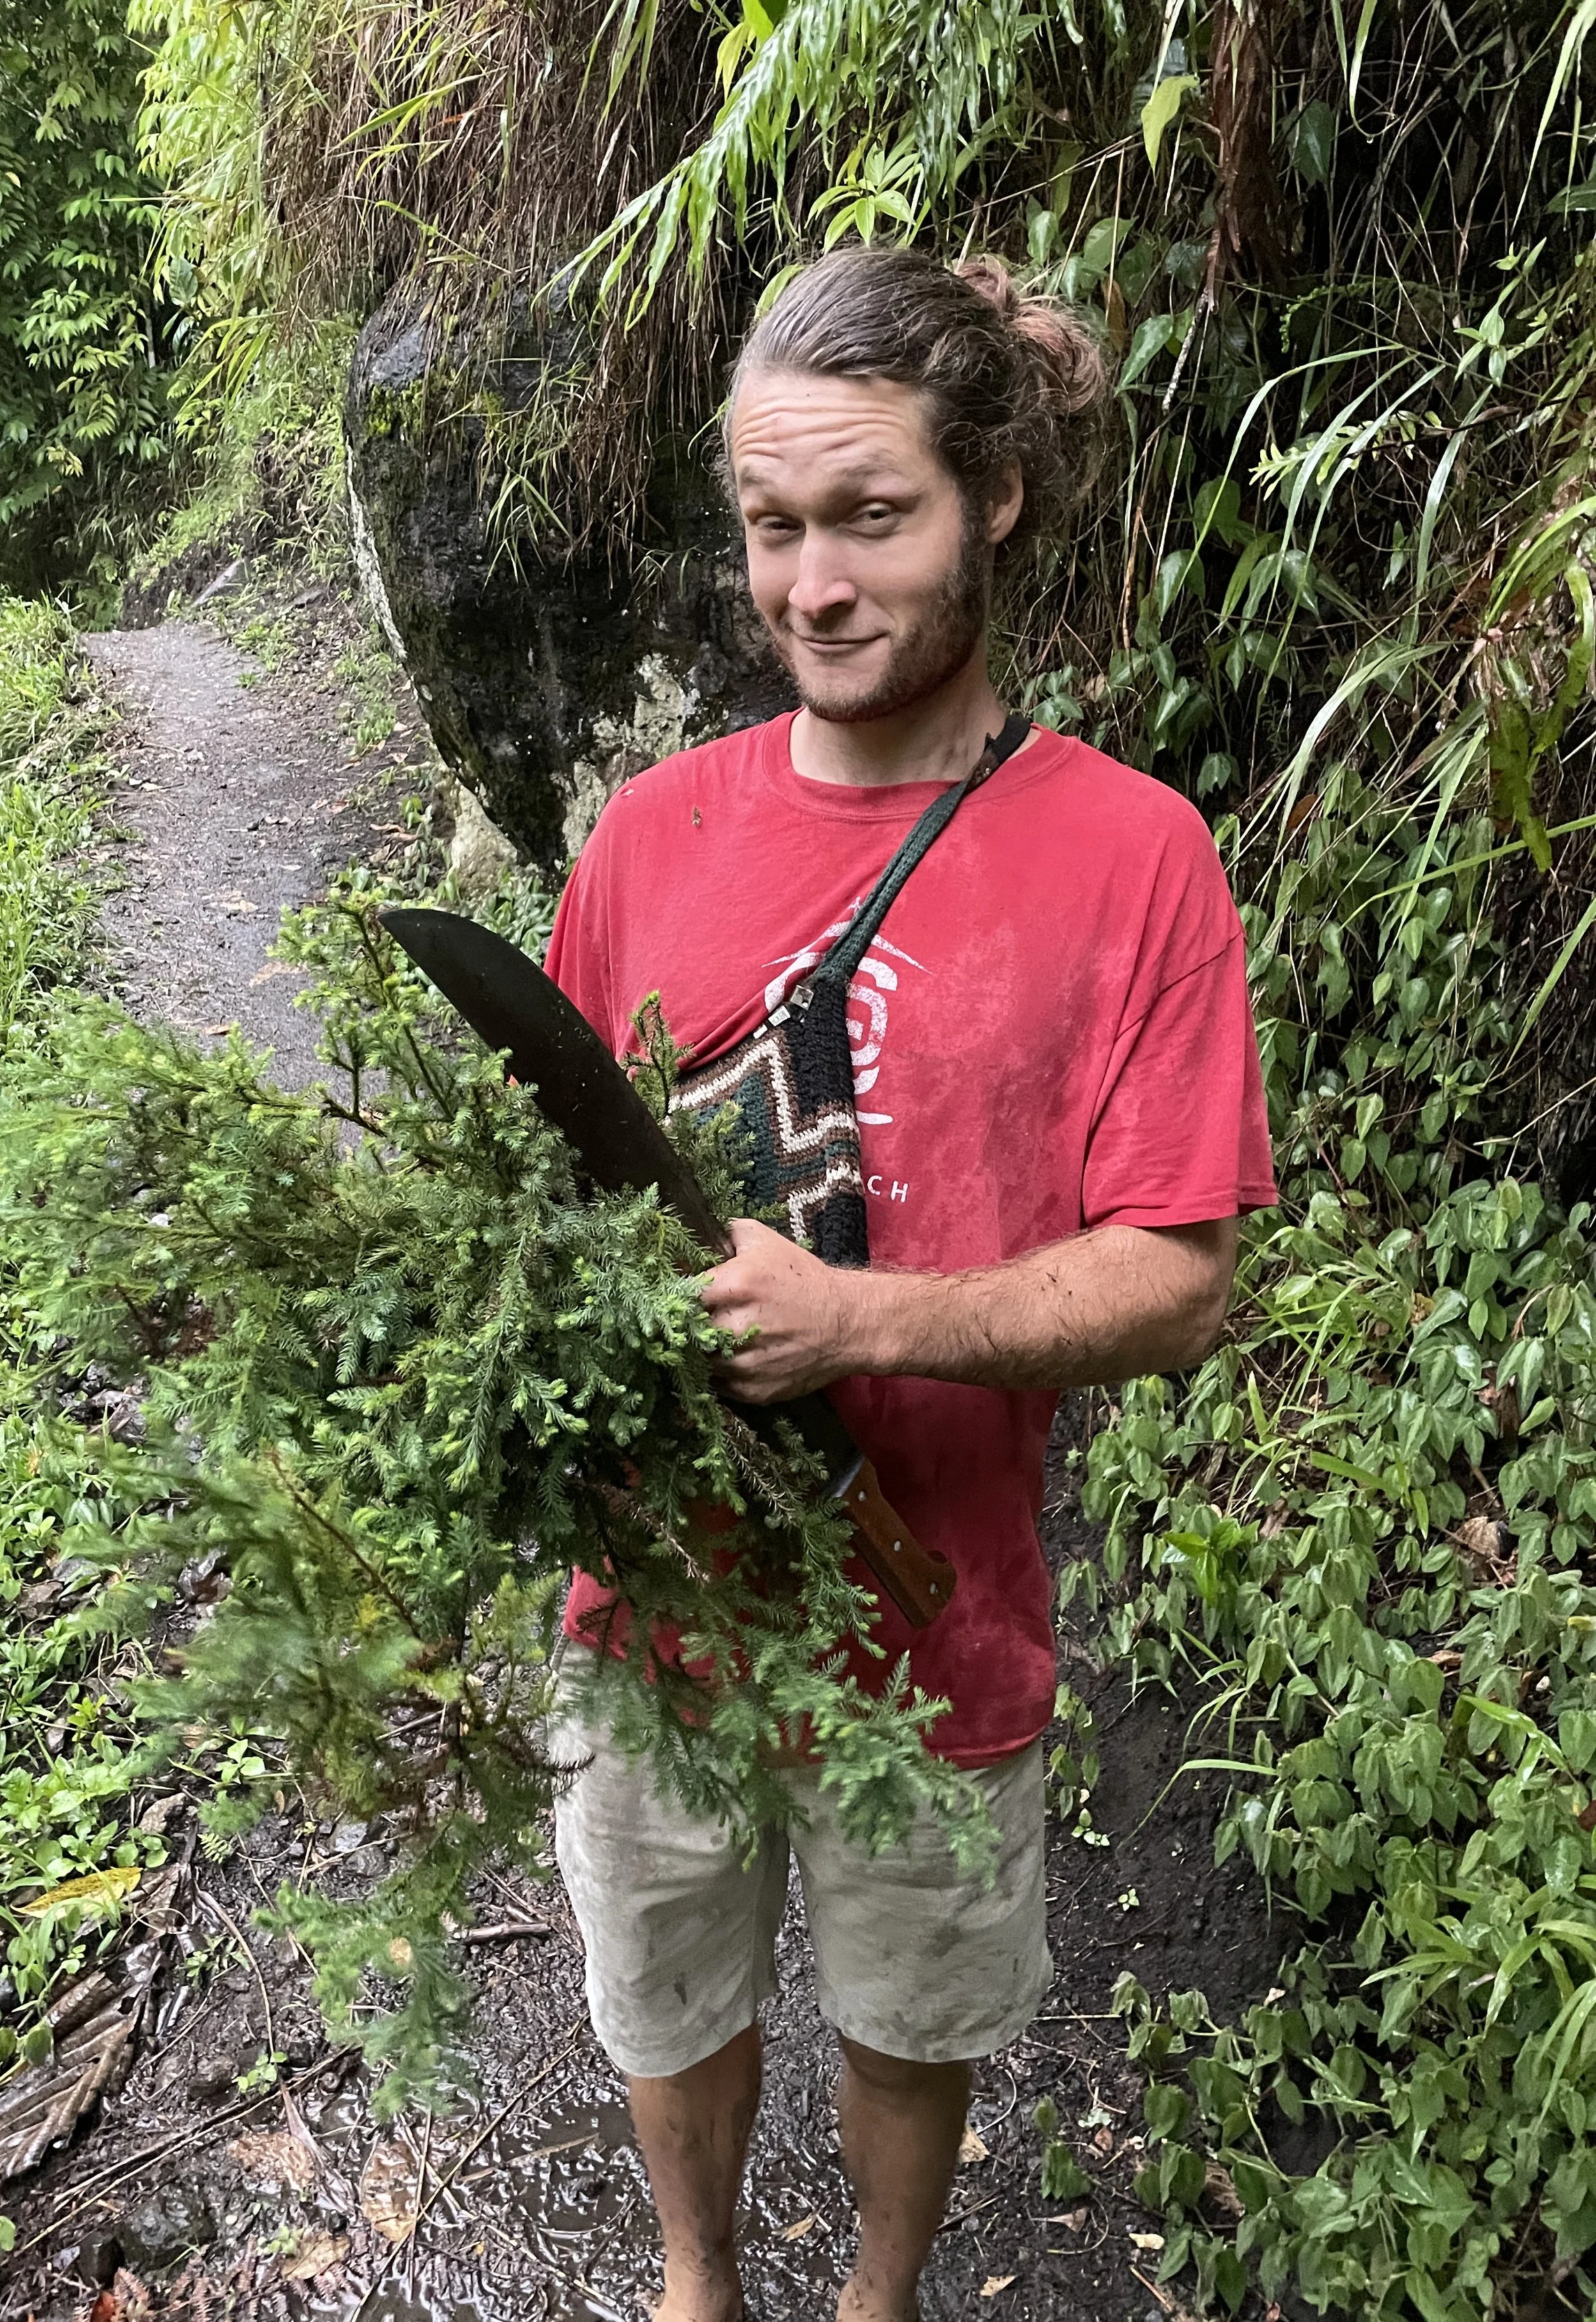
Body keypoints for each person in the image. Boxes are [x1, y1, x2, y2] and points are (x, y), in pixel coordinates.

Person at [542, 243, 1276, 2322]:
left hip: (936, 1614)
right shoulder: (648, 838)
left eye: (872, 517)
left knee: (909, 2005)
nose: (813, 584)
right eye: (773, 529)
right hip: (653, 1601)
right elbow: (565, 1192)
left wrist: (861, 1318)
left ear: (995, 499)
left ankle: (872, 2298)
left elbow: (1175, 1276)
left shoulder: (1130, 857)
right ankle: (697, 2280)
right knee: (658, 1969)